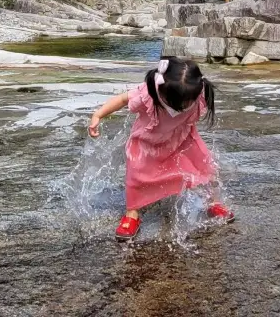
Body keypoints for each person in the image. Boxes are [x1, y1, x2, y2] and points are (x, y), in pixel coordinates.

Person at [88, 57, 235, 241]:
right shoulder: (150, 93)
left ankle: (213, 202)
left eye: (185, 103)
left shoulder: (197, 91)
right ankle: (132, 212)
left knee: (205, 165)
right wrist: (98, 115)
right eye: (176, 102)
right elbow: (122, 99)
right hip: (147, 143)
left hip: (181, 138)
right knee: (136, 177)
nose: (181, 108)